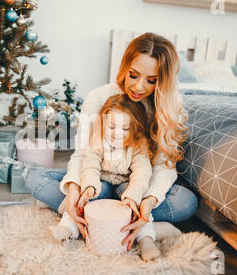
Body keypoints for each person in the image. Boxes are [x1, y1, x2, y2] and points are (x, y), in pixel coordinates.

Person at [25, 32, 198, 259]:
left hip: (137, 185)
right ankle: (122, 220)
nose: (138, 86)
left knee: (186, 202)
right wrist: (76, 192)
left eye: (151, 80)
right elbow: (84, 155)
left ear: (162, 81)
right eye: (134, 75)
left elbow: (162, 167)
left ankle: (108, 218)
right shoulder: (100, 97)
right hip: (99, 182)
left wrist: (146, 203)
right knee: (33, 177)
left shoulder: (167, 106)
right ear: (125, 66)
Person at [50, 93, 162, 261]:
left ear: (136, 128)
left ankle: (145, 239)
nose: (117, 134)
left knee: (140, 204)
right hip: (101, 183)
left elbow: (142, 173)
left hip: (125, 186)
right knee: (81, 197)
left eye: (125, 129)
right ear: (103, 123)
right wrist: (89, 187)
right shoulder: (98, 139)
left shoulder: (139, 144)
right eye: (111, 127)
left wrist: (133, 196)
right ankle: (66, 227)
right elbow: (90, 165)